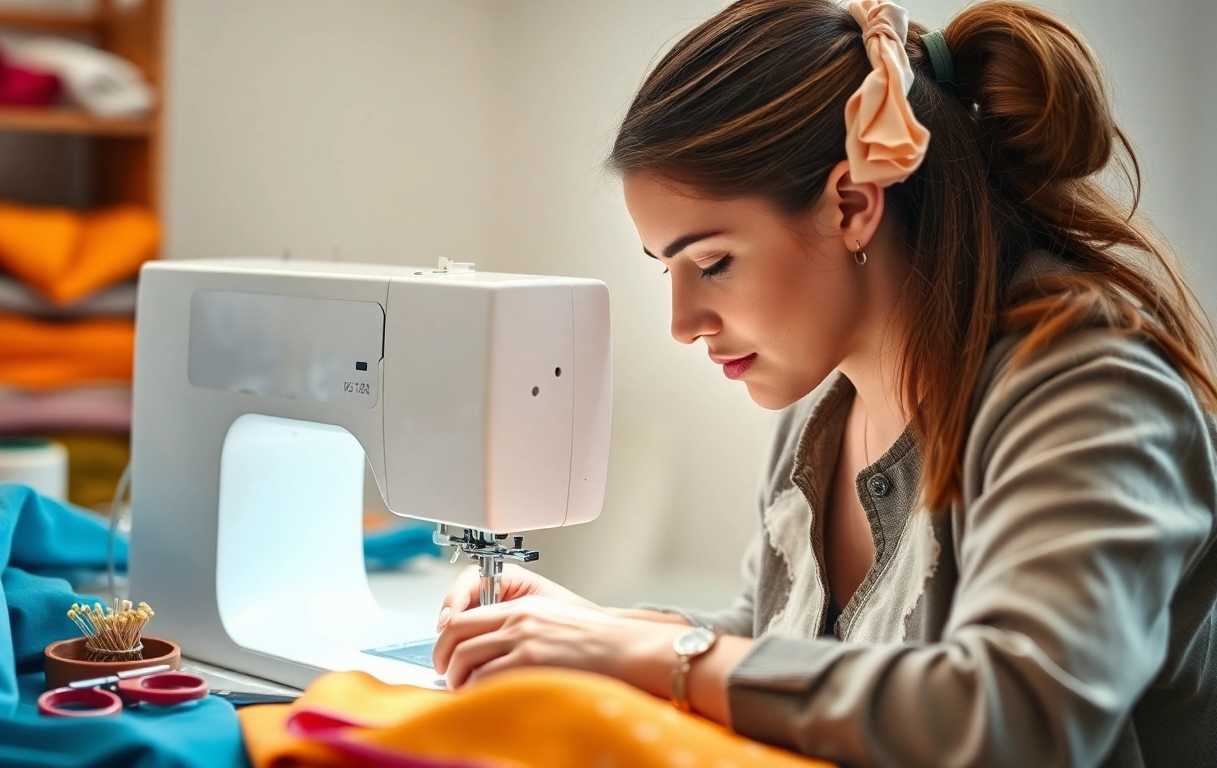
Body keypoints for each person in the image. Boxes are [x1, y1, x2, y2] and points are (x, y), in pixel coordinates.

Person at [430, 0, 1217, 765]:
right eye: (667, 269)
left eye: (712, 264)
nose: (682, 321)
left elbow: (1023, 714)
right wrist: (585, 631)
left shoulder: (1088, 390)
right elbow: (775, 639)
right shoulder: (827, 408)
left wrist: (660, 652)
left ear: (852, 204)